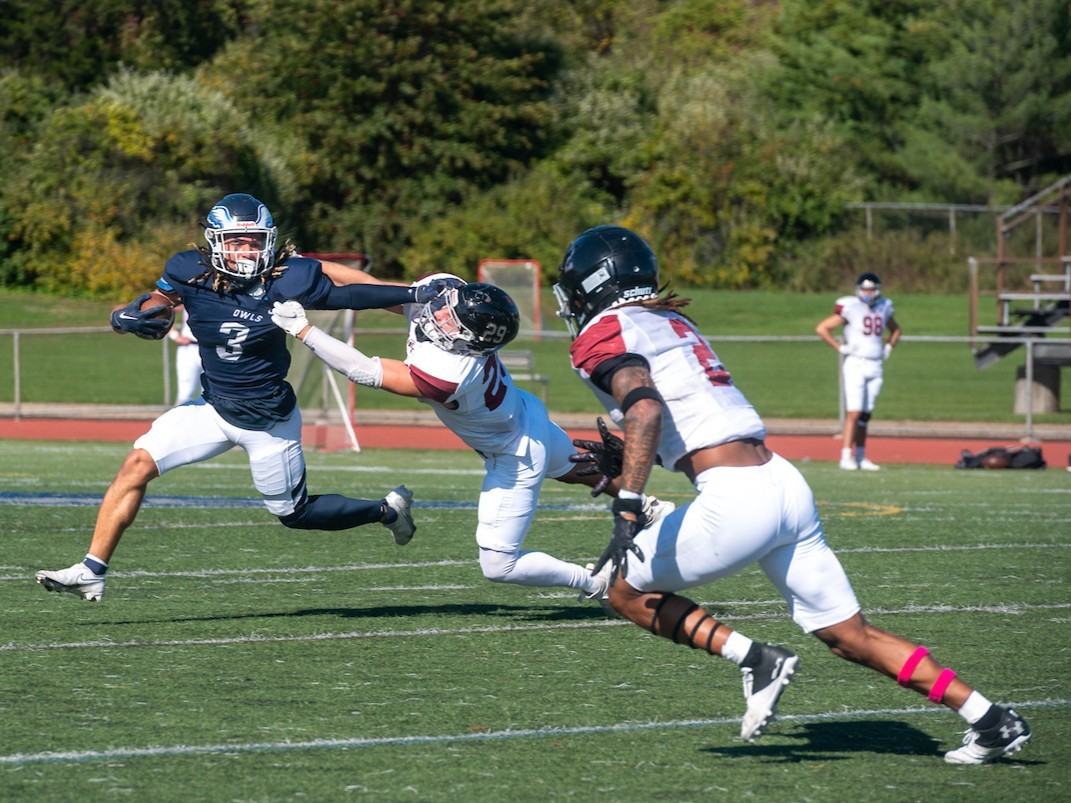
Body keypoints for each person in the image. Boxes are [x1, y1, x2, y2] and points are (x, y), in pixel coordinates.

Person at [553, 225, 1030, 765]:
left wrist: (627, 505)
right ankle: (991, 719)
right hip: (781, 482)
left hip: (735, 498)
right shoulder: (670, 320)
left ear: (593, 284)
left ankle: (756, 659)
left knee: (621, 591)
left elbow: (646, 409)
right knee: (849, 634)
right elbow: (683, 413)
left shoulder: (604, 333)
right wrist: (631, 454)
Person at [35, 193, 457, 602]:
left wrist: (411, 295)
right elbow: (163, 296)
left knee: (295, 515)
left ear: (268, 241)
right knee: (136, 465)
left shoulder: (288, 278)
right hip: (213, 408)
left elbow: (348, 295)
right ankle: (91, 571)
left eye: (254, 241)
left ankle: (387, 511)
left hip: (267, 420)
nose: (246, 251)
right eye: (236, 241)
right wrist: (135, 313)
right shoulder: (188, 268)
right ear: (215, 243)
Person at [269, 275, 674, 602]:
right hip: (524, 416)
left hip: (514, 452)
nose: (439, 316)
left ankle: (596, 583)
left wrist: (303, 330)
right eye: (447, 309)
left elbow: (364, 370)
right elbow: (373, 286)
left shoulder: (450, 373)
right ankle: (648, 507)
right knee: (574, 468)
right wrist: (311, 265)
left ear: (470, 342)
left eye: (451, 321)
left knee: (498, 565)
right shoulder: (452, 298)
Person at [815, 272, 901, 471]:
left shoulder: (884, 306)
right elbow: (822, 328)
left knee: (865, 415)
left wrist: (889, 347)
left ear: (877, 290)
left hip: (875, 364)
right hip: (856, 363)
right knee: (854, 412)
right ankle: (846, 456)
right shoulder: (850, 307)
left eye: (871, 289)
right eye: (864, 289)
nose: (867, 293)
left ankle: (861, 456)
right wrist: (840, 347)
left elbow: (896, 330)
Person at [168, 304, 203, 405]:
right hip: (189, 348)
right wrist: (174, 335)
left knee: (210, 394)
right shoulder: (190, 296)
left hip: (212, 348)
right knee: (185, 393)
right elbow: (169, 312)